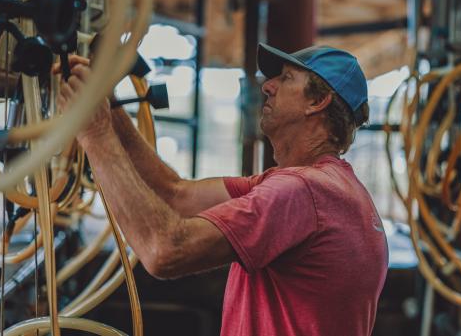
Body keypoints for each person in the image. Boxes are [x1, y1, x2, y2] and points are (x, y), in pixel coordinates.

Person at [57, 43, 388, 336]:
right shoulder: (330, 189)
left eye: (286, 78)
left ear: (318, 101)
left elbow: (164, 251)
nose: (268, 86)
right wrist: (109, 107)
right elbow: (176, 194)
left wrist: (95, 133)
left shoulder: (302, 192)